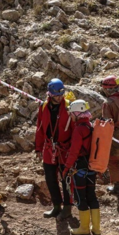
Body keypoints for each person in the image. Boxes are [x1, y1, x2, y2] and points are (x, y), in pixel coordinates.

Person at [35, 78, 75, 219]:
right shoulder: (44, 107)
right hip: (48, 148)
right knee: (50, 178)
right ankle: (56, 206)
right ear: (50, 94)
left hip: (65, 148)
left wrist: (75, 150)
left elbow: (75, 130)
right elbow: (40, 128)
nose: (59, 97)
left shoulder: (69, 107)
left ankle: (68, 207)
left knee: (66, 179)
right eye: (56, 95)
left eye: (61, 94)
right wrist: (38, 148)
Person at [62, 100, 100, 235]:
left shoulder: (79, 129)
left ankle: (84, 228)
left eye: (72, 113)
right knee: (92, 196)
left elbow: (74, 151)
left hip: (80, 168)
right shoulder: (90, 126)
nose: (70, 116)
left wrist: (66, 168)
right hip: (92, 167)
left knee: (81, 197)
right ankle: (96, 229)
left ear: (77, 113)